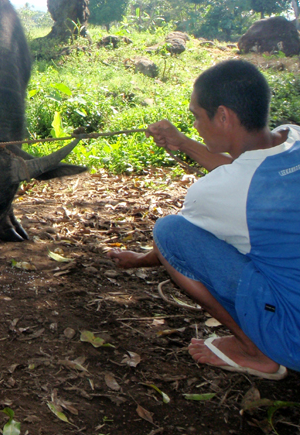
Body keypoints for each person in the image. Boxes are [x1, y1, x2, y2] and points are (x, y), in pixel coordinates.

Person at [109, 59, 299, 379]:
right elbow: (243, 168)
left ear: (223, 116)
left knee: (169, 230)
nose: (195, 124)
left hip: (292, 335)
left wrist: (138, 261)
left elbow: (178, 246)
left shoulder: (216, 193)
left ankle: (254, 350)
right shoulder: (292, 135)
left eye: (197, 116)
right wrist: (183, 142)